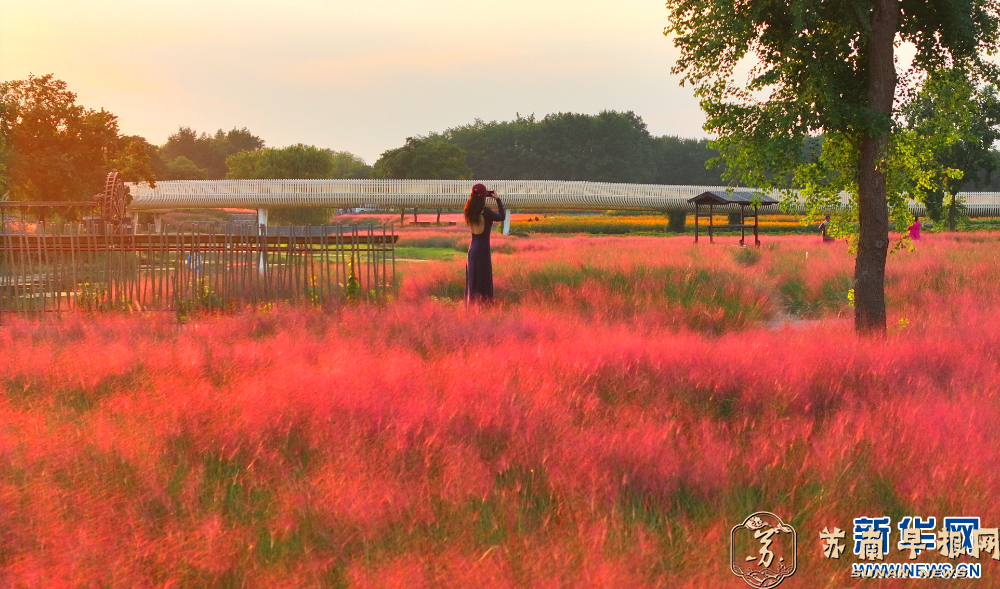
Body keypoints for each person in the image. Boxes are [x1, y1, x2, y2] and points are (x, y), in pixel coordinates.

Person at [464, 183, 506, 303]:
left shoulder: (469, 211)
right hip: (482, 249)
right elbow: (502, 217)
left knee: (473, 280)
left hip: (472, 249)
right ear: (484, 196)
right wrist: (497, 199)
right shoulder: (486, 212)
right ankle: (484, 306)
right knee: (483, 279)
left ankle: (472, 306)